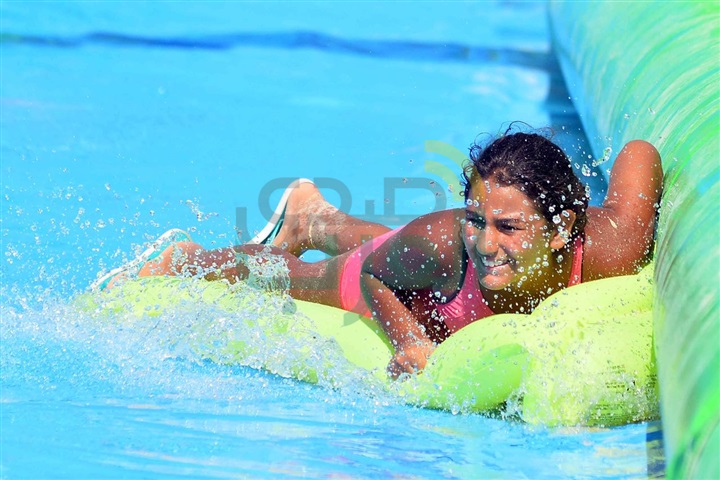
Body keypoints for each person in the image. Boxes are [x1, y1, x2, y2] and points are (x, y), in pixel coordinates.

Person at [92, 127, 663, 377]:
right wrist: (412, 340)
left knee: (407, 247)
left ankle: (311, 216)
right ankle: (190, 259)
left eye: (509, 227)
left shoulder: (611, 247)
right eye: (476, 218)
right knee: (298, 275)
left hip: (436, 260)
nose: (487, 243)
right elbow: (378, 279)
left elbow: (641, 152)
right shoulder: (449, 243)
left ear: (562, 231)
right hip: (410, 282)